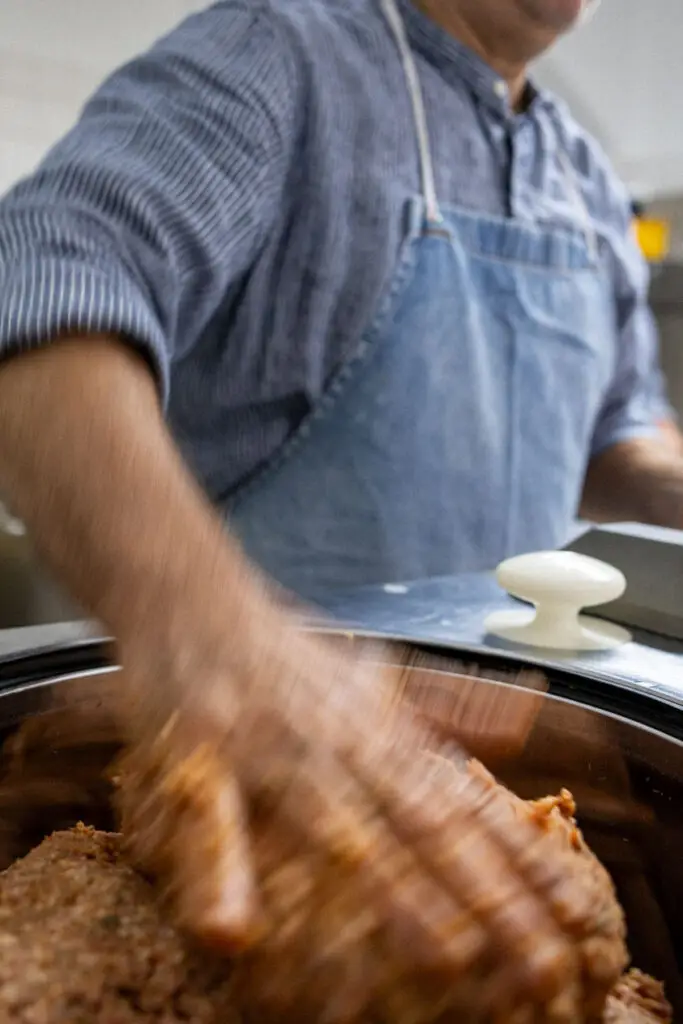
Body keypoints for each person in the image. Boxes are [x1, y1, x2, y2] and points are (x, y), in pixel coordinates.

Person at [0, 0, 680, 1004]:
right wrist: (211, 636)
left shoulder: (579, 174)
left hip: (485, 746)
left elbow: (612, 437)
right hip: (233, 785)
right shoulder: (284, 52)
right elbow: (37, 279)